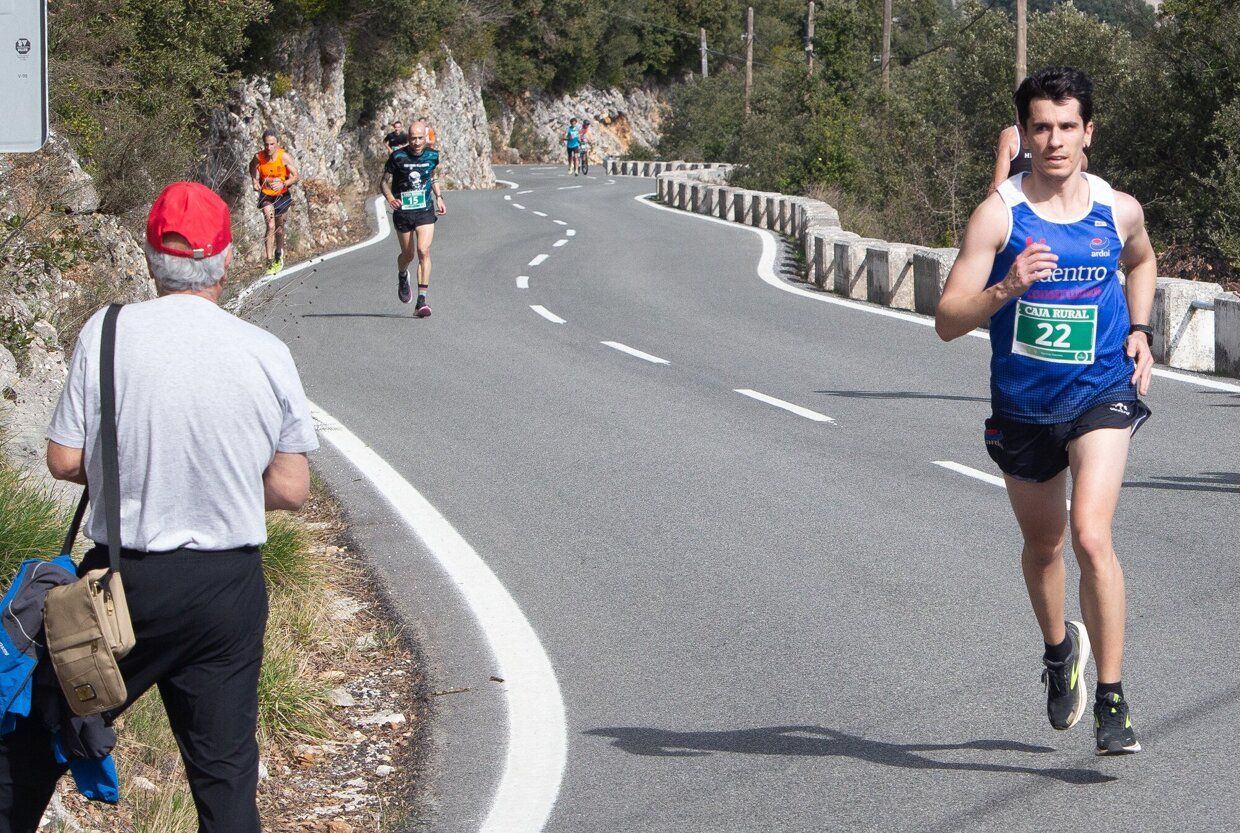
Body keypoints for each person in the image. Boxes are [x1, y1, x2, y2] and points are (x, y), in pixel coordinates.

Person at [0, 181, 318, 830]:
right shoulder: (266, 354)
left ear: (150, 257)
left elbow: (63, 459)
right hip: (227, 590)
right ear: (227, 259)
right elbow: (290, 486)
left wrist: (143, 467)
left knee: (28, 749)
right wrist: (215, 477)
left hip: (121, 582)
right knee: (225, 785)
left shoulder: (108, 333)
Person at [935, 66, 1156, 756]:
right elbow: (947, 318)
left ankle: (1114, 700)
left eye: (1067, 126)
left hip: (1102, 390)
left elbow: (1143, 261)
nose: (1054, 140)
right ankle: (1061, 651)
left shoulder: (1117, 209)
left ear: (1088, 132)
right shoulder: (999, 215)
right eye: (1041, 128)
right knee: (1045, 546)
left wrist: (1142, 328)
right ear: (1024, 135)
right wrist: (1006, 285)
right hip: (1025, 405)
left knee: (1091, 535)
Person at [380, 120, 445, 316]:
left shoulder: (433, 156)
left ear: (426, 138)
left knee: (423, 250)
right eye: (413, 139)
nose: (417, 142)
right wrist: (391, 198)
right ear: (408, 139)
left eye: (420, 138)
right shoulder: (397, 157)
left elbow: (432, 176)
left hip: (424, 209)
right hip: (403, 211)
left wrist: (439, 197)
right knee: (408, 255)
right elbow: (383, 182)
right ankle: (402, 275)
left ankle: (421, 301)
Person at [248, 129, 300, 275]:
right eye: (266, 145)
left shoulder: (284, 157)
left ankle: (279, 252)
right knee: (270, 225)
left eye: (272, 144)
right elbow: (252, 167)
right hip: (266, 195)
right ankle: (269, 261)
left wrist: (283, 183)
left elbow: (296, 176)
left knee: (279, 228)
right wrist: (254, 180)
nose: (269, 148)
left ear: (277, 143)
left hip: (282, 195)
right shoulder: (258, 157)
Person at [991, 118, 1087, 195]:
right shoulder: (1060, 134)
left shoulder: (1010, 135)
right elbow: (1082, 166)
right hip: (1055, 203)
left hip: (1023, 207)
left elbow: (997, 185)